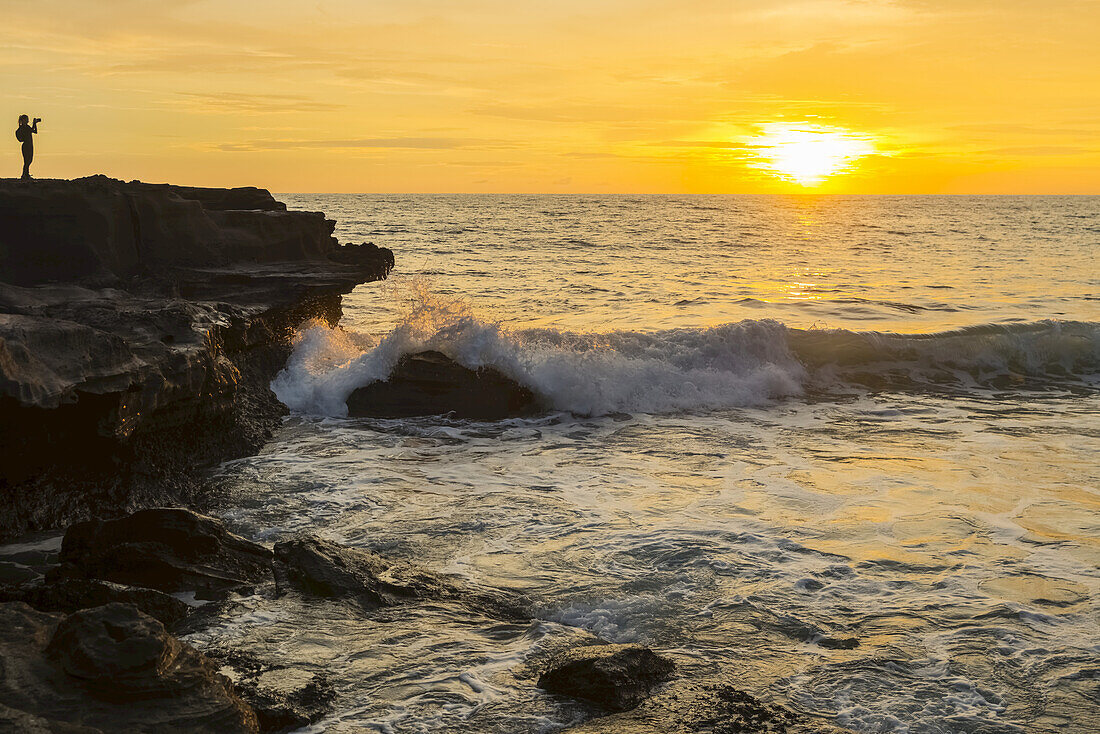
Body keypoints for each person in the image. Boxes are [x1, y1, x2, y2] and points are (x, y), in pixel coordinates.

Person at [16, 114, 40, 179]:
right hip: (26, 145)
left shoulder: (27, 127)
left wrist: (35, 124)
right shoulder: (22, 128)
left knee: (29, 160)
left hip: (30, 145)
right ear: (23, 120)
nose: (28, 120)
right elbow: (32, 131)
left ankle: (26, 174)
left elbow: (35, 131)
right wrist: (34, 124)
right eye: (26, 119)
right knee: (27, 161)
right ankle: (24, 175)